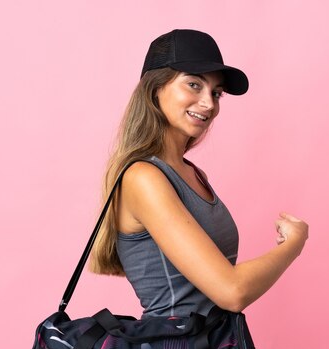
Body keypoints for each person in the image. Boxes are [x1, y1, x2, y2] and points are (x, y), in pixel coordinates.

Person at [88, 29, 309, 318]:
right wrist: (294, 243)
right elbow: (232, 291)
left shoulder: (192, 174)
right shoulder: (144, 178)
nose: (209, 103)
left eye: (216, 93)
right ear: (155, 89)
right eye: (194, 84)